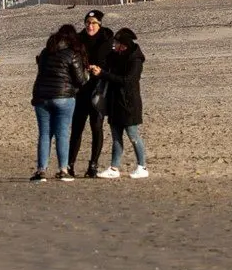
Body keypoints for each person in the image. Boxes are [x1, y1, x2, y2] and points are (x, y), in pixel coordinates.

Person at [30, 25, 86, 182]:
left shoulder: (45, 53)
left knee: (45, 134)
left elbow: (41, 71)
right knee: (62, 133)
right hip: (63, 97)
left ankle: (41, 171)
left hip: (41, 97)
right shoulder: (72, 54)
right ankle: (63, 169)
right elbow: (80, 79)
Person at [67, 10, 114, 179]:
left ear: (99, 24)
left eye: (93, 23)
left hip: (99, 89)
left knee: (96, 126)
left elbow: (112, 64)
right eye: (87, 22)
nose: (90, 26)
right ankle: (70, 164)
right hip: (81, 89)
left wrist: (100, 71)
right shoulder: (79, 40)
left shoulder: (107, 40)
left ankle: (93, 165)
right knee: (77, 128)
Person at [97, 28, 149, 179]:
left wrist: (104, 74)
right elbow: (106, 66)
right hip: (114, 102)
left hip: (129, 104)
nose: (114, 45)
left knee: (133, 135)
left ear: (124, 45)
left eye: (117, 43)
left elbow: (127, 81)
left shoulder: (135, 60)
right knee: (116, 138)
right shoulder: (114, 56)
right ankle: (114, 167)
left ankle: (142, 166)